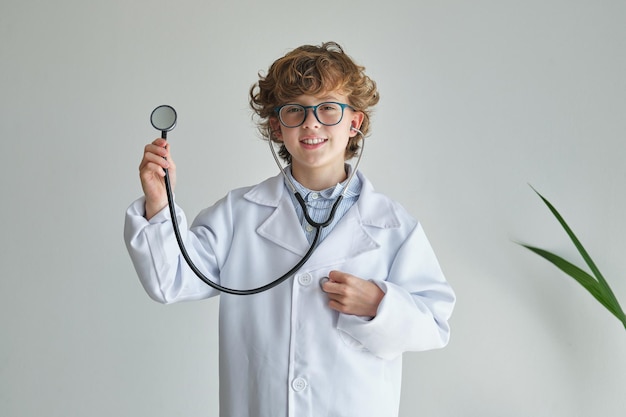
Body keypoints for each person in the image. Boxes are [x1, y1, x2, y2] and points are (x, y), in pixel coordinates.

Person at [124, 41, 455, 417]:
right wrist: (158, 201)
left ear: (354, 122)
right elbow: (171, 280)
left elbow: (434, 323)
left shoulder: (393, 225)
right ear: (277, 127)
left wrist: (381, 305)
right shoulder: (240, 213)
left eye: (328, 107)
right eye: (295, 110)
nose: (311, 122)